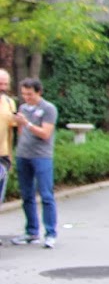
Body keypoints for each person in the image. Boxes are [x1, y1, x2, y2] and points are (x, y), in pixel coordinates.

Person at [11, 77, 59, 247]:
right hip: (23, 155)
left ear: (39, 92)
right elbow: (21, 131)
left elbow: (45, 134)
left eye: (30, 94)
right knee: (26, 195)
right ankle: (32, 231)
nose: (26, 97)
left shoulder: (48, 109)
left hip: (41, 156)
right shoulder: (23, 107)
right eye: (24, 94)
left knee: (46, 195)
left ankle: (51, 233)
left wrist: (27, 123)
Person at [0, 70, 14, 212]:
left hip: (2, 157)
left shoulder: (10, 103)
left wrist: (10, 154)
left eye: (5, 84)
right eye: (0, 84)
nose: (3, 87)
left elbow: (12, 128)